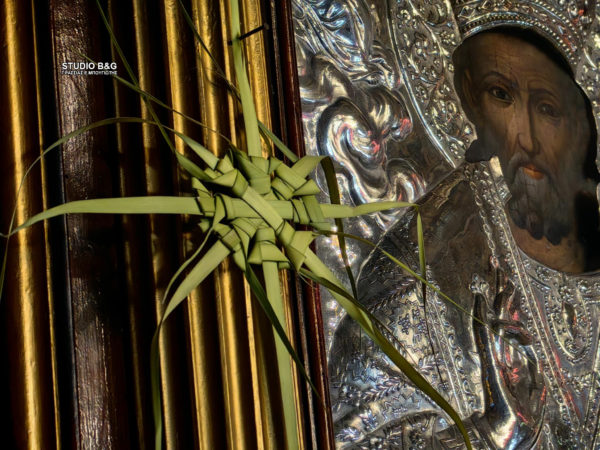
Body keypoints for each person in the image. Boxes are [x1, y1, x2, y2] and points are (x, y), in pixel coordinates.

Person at [328, 28, 600, 449]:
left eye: (548, 108)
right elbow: (347, 436)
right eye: (501, 95)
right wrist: (490, 435)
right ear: (471, 102)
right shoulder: (418, 267)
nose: (526, 137)